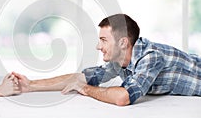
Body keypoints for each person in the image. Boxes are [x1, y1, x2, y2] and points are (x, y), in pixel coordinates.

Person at [13, 14, 201, 106]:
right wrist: (31, 85)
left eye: (103, 40)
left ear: (123, 43)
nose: (98, 46)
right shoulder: (119, 62)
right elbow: (80, 78)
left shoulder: (151, 57)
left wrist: (86, 90)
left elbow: (123, 98)